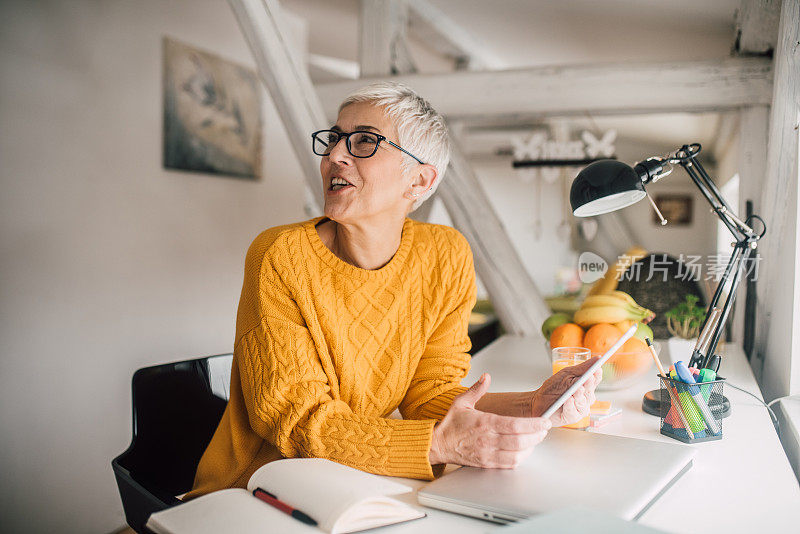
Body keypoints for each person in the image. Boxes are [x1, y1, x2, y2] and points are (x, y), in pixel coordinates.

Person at [185, 82, 601, 499]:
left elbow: (432, 393)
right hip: (257, 489)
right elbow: (296, 418)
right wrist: (435, 445)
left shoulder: (446, 255)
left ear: (419, 180)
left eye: (364, 141)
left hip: (356, 479)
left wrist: (534, 404)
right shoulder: (280, 255)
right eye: (334, 139)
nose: (334, 156)